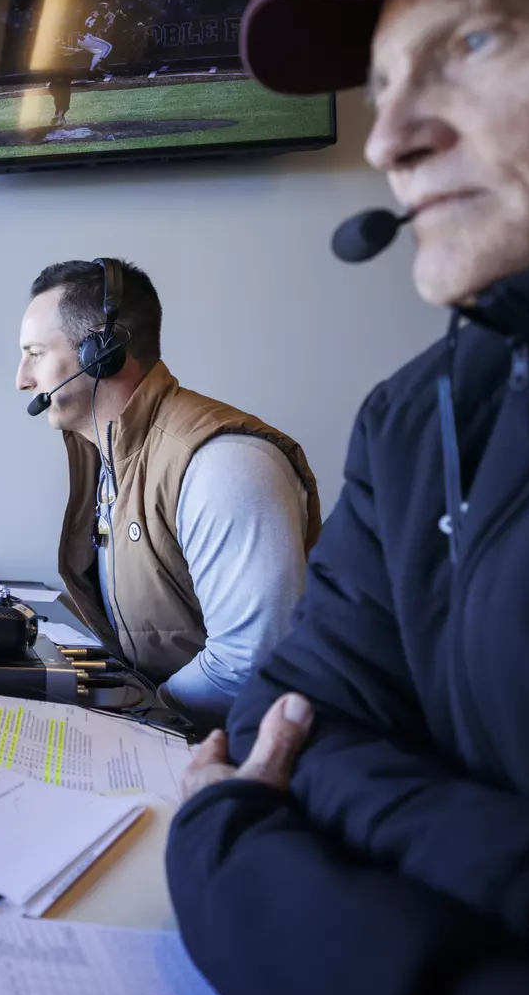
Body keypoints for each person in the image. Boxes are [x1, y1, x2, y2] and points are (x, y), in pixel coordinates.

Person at [166, 0, 529, 995]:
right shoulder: (416, 418)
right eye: (380, 83)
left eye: (473, 42)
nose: (388, 140)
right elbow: (299, 717)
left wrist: (230, 845)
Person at [16, 257, 321, 727]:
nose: (22, 379)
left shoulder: (224, 466)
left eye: (35, 353)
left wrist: (134, 714)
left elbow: (249, 663)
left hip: (235, 747)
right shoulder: (106, 453)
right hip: (173, 728)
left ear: (103, 351)